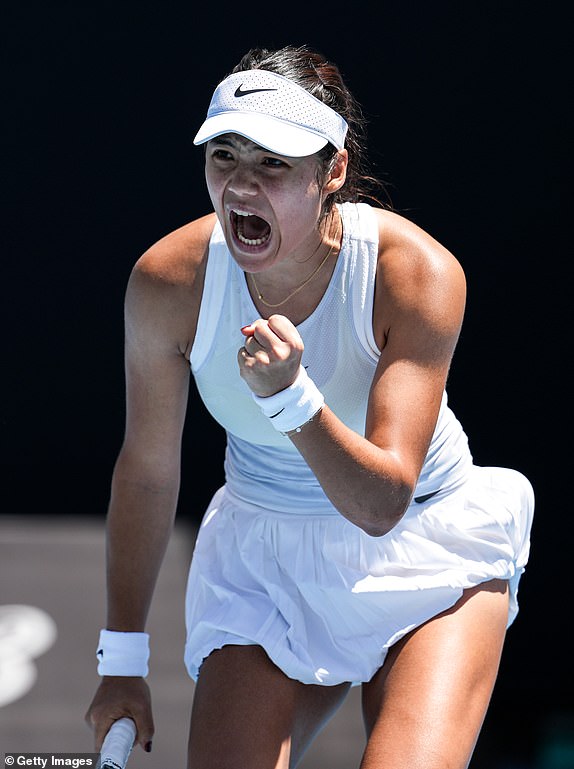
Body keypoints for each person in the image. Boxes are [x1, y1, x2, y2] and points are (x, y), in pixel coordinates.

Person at [85, 44, 534, 768]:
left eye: (273, 164)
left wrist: (293, 399)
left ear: (334, 173)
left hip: (427, 541)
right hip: (267, 559)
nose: (239, 185)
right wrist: (122, 660)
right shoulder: (168, 283)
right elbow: (144, 472)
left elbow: (384, 500)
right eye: (224, 156)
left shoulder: (414, 274)